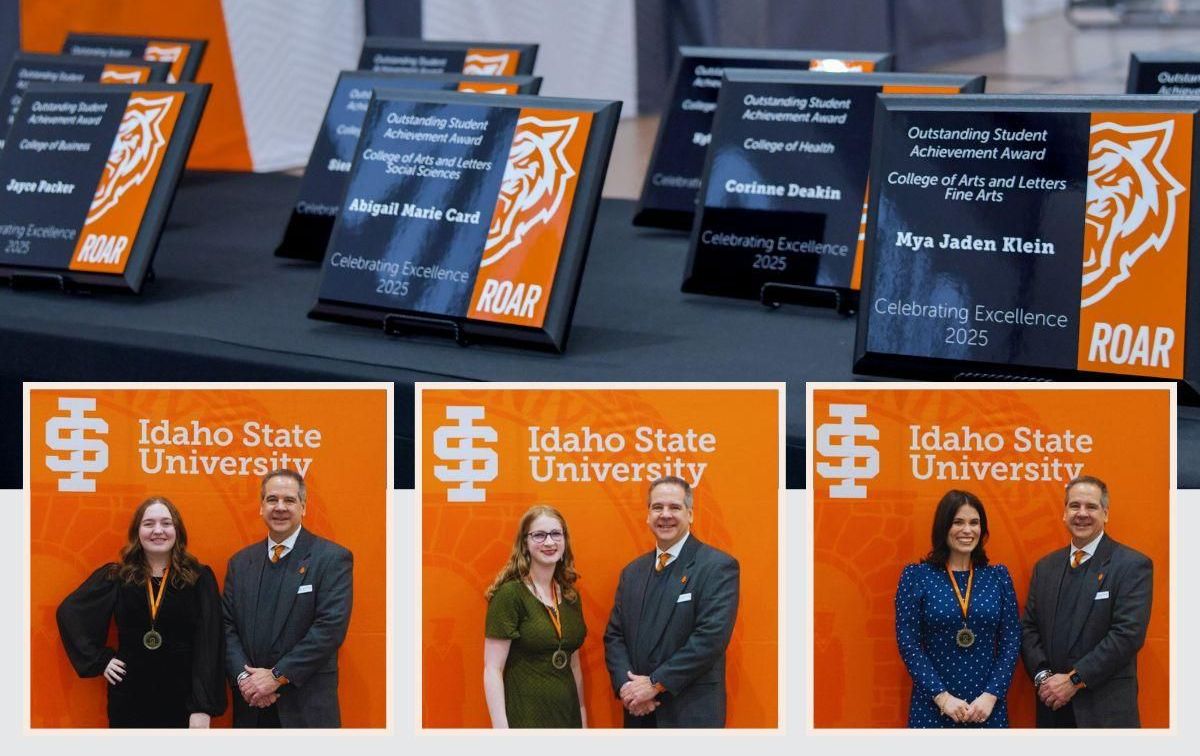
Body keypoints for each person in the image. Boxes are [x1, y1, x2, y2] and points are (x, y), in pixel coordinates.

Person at [56, 496, 226, 728]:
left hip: (183, 700)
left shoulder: (198, 578)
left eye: (166, 523)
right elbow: (70, 613)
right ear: (138, 531)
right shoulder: (118, 576)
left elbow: (210, 643)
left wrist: (202, 706)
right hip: (129, 697)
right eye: (149, 524)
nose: (158, 530)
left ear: (177, 530)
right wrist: (99, 660)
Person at [603, 476, 740, 728]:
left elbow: (710, 638)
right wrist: (628, 688)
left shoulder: (717, 566)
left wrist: (655, 684)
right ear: (647, 515)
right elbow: (615, 636)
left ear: (690, 515)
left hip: (690, 714)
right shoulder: (632, 572)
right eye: (657, 507)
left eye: (674, 507)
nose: (665, 515)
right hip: (639, 714)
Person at [222, 469, 353, 727]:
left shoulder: (331, 558)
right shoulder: (240, 563)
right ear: (261, 507)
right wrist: (245, 680)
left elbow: (329, 629)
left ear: (303, 507)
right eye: (272, 499)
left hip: (306, 708)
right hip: (252, 706)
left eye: (289, 500)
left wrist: (277, 676)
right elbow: (226, 627)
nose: (280, 507)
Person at [1020, 475, 1153, 728]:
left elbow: (1127, 635)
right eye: (1074, 506)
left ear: (1106, 514)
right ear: (1064, 513)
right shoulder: (1045, 567)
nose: (1082, 513)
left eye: (1091, 506)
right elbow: (1029, 628)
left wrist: (1073, 680)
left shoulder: (1132, 565)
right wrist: (1044, 678)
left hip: (1104, 713)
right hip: (1053, 707)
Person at [895, 489, 1020, 728]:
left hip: (986, 708)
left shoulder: (998, 577)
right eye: (958, 522)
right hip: (932, 706)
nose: (967, 530)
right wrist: (942, 698)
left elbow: (1011, 640)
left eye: (974, 523)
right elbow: (908, 641)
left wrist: (992, 694)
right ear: (943, 527)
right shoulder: (916, 576)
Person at [483, 505, 587, 728]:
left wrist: (583, 716)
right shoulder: (510, 595)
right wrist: (501, 732)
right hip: (525, 719)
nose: (549, 542)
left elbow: (574, 665)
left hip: (568, 719)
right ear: (525, 544)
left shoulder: (570, 597)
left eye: (556, 534)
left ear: (565, 541)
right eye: (539, 535)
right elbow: (493, 669)